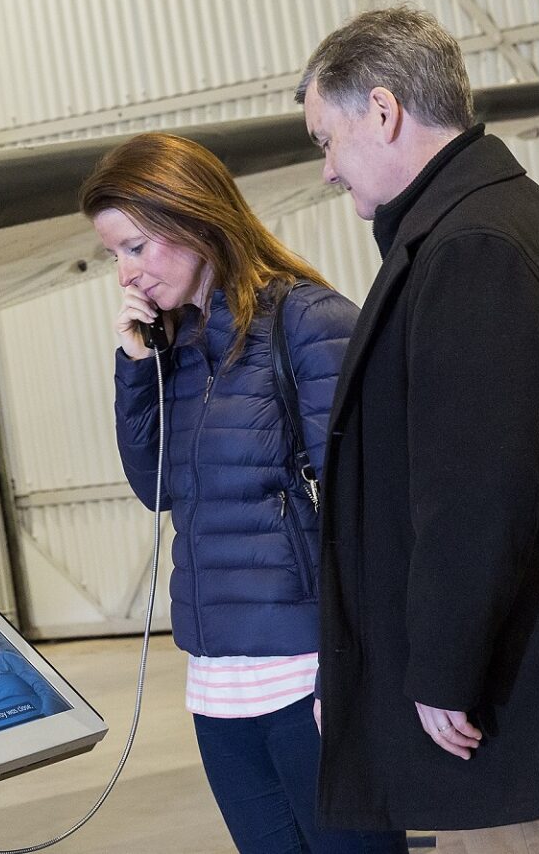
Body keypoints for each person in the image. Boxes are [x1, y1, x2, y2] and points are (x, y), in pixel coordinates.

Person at [296, 5, 539, 850]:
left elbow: (478, 489)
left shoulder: (473, 247)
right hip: (511, 687)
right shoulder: (474, 226)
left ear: (382, 111)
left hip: (514, 696)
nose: (327, 171)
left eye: (325, 140)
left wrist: (444, 667)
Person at [82, 134, 403, 854]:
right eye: (114, 255)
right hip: (217, 687)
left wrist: (347, 673)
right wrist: (137, 366)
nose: (126, 274)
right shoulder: (175, 344)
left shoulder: (306, 324)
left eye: (135, 247)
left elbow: (372, 511)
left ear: (192, 220)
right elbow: (157, 486)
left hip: (305, 678)